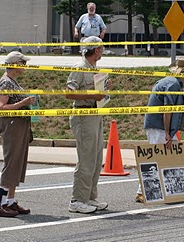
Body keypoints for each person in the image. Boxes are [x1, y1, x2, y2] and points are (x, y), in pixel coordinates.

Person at [136, 55, 184, 203]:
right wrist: (166, 134)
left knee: (173, 156)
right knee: (156, 159)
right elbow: (167, 110)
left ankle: (173, 190)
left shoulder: (174, 83)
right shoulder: (173, 85)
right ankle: (142, 191)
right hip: (158, 127)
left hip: (161, 127)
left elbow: (179, 113)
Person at [65, 36, 110, 214]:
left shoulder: (93, 68)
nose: (103, 51)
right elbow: (69, 93)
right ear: (95, 50)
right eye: (101, 48)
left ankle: (90, 197)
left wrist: (104, 89)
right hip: (83, 114)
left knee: (97, 158)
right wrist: (92, 95)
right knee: (86, 158)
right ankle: (77, 199)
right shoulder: (80, 68)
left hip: (95, 114)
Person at [0, 51, 34, 218]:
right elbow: (1, 107)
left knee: (17, 162)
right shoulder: (5, 82)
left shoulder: (13, 82)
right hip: (11, 124)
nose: (24, 66)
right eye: (22, 63)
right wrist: (23, 103)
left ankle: (10, 201)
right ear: (15, 64)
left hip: (19, 124)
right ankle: (0, 204)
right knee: (11, 163)